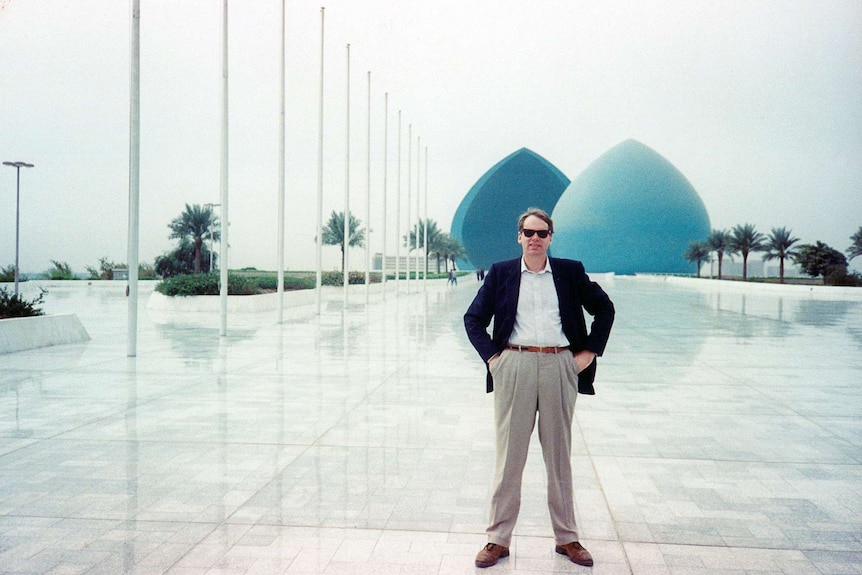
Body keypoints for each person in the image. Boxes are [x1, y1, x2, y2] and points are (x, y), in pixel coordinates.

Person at [464, 207, 615, 568]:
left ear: (550, 238)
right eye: (528, 233)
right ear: (519, 236)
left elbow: (604, 308)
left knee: (559, 457)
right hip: (513, 365)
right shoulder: (501, 273)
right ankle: (497, 540)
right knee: (509, 458)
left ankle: (567, 538)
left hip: (558, 365)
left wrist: (588, 353)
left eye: (542, 233)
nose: (535, 239)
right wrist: (493, 359)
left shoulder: (569, 272)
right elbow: (473, 318)